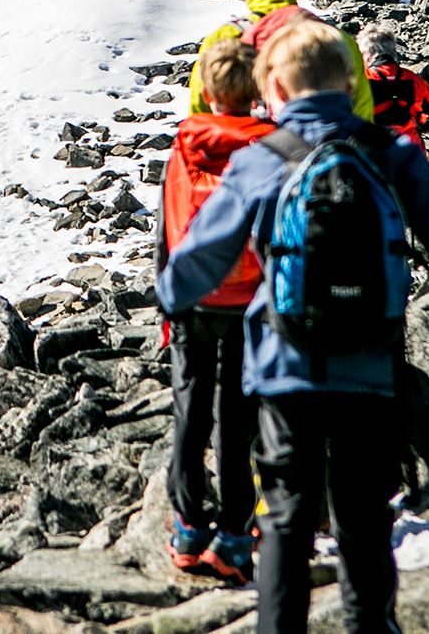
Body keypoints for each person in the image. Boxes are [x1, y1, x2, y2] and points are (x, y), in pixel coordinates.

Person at [159, 20, 429, 634]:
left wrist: (170, 295)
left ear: (274, 86)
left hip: (283, 364)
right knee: (362, 516)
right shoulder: (389, 152)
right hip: (371, 362)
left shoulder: (262, 158)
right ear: (349, 84)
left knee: (288, 517)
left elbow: (199, 261)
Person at [160, 38, 273, 582]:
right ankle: (232, 534)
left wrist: (167, 303)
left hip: (194, 299)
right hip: (252, 302)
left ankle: (186, 525)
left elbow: (167, 227)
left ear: (205, 89)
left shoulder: (185, 141)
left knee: (190, 408)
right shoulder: (274, 145)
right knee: (238, 418)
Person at [187, 0, 373, 119]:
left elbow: (199, 117)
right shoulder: (337, 39)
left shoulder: (223, 39)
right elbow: (362, 112)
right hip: (325, 146)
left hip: (250, 147)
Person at [358, 24, 429, 149]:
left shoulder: (363, 80)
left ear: (367, 54)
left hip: (374, 155)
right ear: (392, 51)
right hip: (411, 152)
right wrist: (418, 124)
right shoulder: (412, 79)